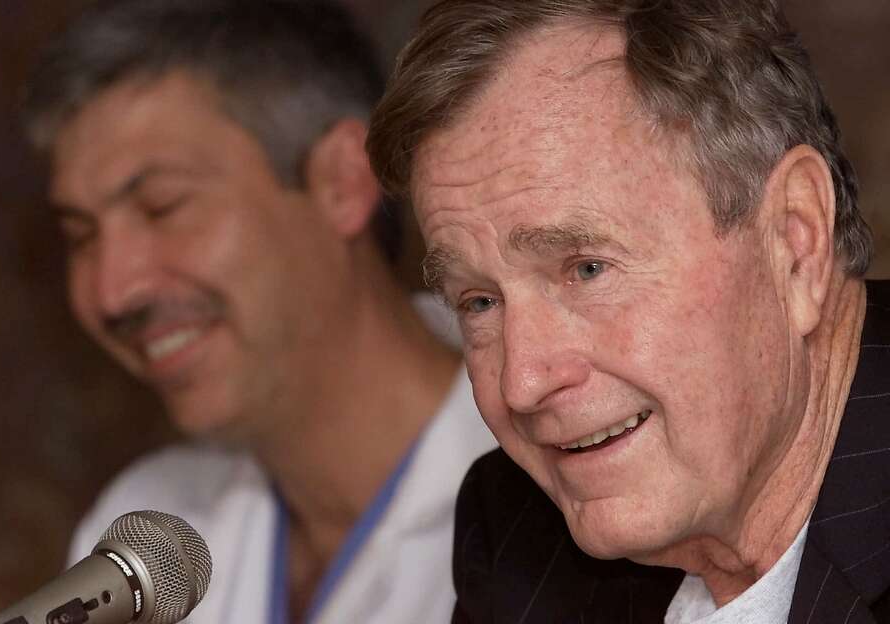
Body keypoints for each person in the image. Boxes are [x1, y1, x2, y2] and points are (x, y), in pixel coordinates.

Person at [366, 0, 889, 622]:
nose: (522, 382)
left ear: (793, 242)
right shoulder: (521, 543)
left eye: (586, 269)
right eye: (480, 302)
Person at [21, 1, 495, 622]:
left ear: (342, 181)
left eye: (163, 206)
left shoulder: (569, 485)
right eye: (82, 236)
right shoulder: (141, 539)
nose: (113, 291)